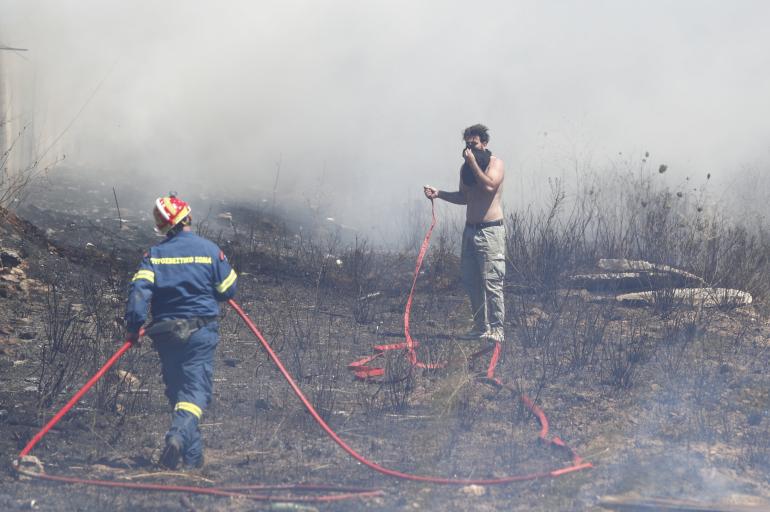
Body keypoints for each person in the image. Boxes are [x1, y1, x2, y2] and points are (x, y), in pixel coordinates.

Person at [124, 195, 237, 469]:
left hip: (165, 334)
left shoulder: (154, 255)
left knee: (179, 394)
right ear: (188, 217)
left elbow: (139, 292)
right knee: (196, 392)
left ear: (163, 226)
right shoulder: (210, 250)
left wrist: (134, 326)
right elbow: (227, 290)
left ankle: (193, 461)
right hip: (200, 332)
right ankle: (176, 437)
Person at [423, 123, 506, 342]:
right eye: (467, 144)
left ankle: (497, 330)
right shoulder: (466, 169)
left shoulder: (495, 164)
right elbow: (464, 197)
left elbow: (489, 186)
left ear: (484, 143)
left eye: (474, 143)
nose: (470, 148)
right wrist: (439, 193)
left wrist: (473, 163)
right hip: (470, 231)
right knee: (471, 280)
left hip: (490, 232)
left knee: (492, 281)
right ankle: (480, 327)